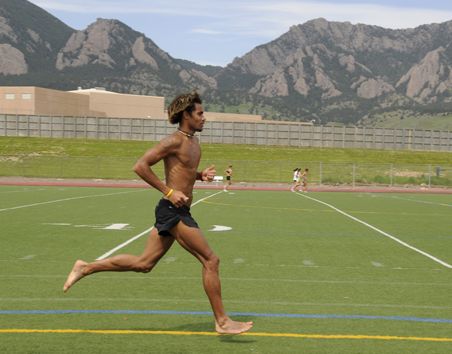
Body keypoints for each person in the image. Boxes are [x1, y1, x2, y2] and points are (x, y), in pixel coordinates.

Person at [63, 91, 253, 335]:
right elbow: (140, 166)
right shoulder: (173, 141)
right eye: (200, 113)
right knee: (211, 260)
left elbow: (181, 170)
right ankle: (223, 321)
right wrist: (169, 191)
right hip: (173, 210)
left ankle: (86, 267)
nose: (205, 118)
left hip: (178, 210)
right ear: (186, 115)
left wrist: (199, 175)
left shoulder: (193, 142)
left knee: (144, 263)